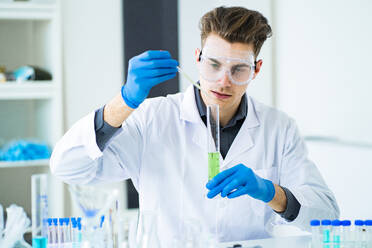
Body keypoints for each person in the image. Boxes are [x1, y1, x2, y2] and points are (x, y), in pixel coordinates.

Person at [50, 6, 339, 246]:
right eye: (214, 64)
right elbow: (66, 166)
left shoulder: (279, 128)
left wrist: (269, 191)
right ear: (197, 59)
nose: (224, 80)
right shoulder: (153, 118)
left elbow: (328, 216)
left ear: (257, 69)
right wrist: (123, 101)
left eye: (238, 69)